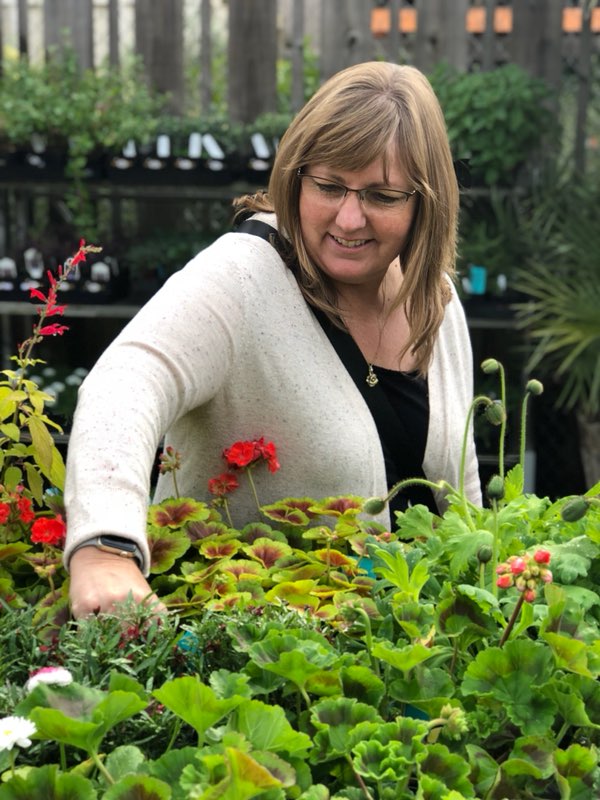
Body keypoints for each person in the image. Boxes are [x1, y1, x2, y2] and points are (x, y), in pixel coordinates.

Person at [64, 61, 482, 618]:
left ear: (424, 203)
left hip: (415, 671)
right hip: (257, 667)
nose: (350, 218)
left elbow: (462, 482)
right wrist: (106, 547)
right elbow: (126, 382)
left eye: (382, 196)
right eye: (330, 186)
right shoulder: (241, 278)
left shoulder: (436, 300)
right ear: (296, 175)